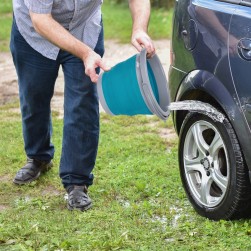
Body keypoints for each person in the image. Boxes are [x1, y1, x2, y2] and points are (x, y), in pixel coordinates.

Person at [10, 0, 155, 211]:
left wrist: (139, 28)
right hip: (34, 34)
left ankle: (77, 181)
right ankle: (38, 156)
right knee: (34, 97)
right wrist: (85, 53)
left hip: (84, 29)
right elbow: (41, 19)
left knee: (83, 101)